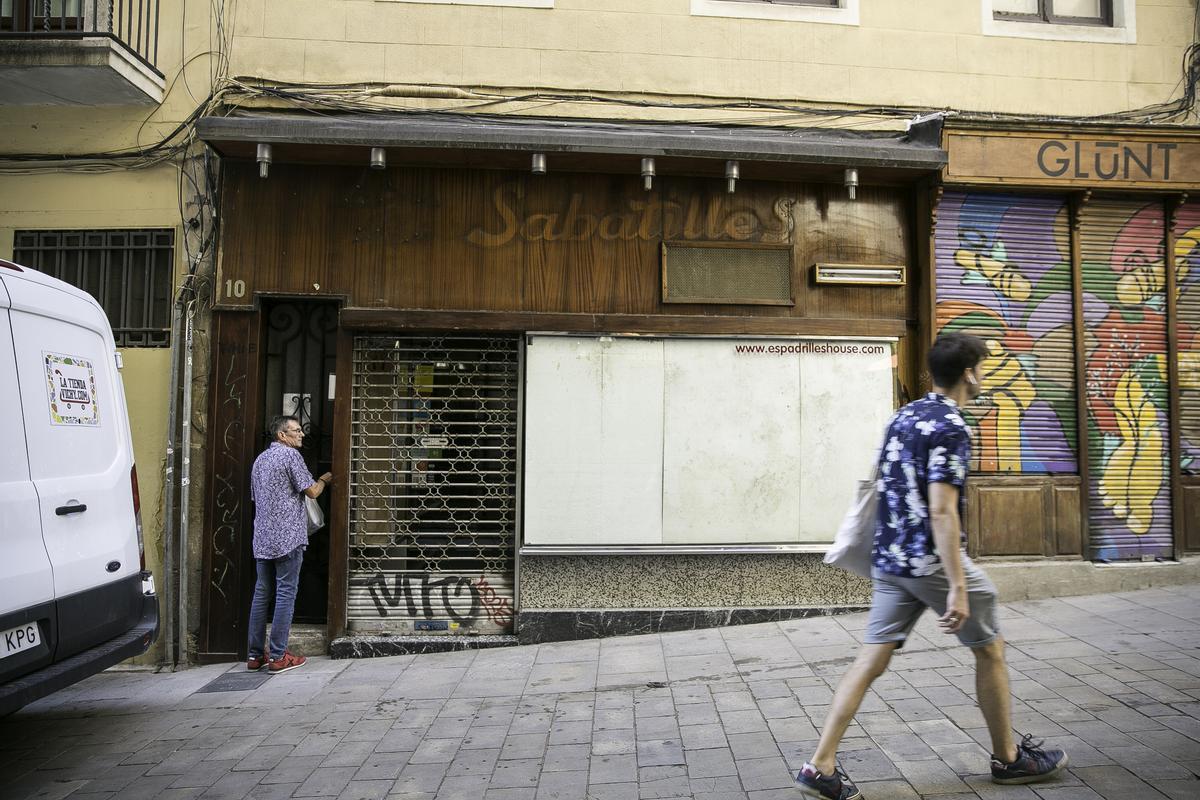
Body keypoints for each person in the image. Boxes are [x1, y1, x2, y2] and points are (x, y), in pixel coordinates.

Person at [795, 333, 1068, 800]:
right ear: (968, 373)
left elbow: (886, 483)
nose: (984, 376)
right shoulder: (952, 427)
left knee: (870, 659)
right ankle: (1008, 759)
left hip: (891, 557)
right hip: (930, 562)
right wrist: (958, 587)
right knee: (991, 648)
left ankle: (820, 765)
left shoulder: (904, 415)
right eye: (982, 367)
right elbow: (942, 510)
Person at [246, 415, 333, 674]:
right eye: (296, 431)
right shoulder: (290, 456)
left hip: (262, 537)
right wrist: (326, 479)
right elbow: (312, 492)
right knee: (286, 593)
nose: (301, 434)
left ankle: (254, 655)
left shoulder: (260, 460)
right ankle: (278, 656)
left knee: (262, 594)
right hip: (288, 537)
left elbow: (256, 497)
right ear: (282, 436)